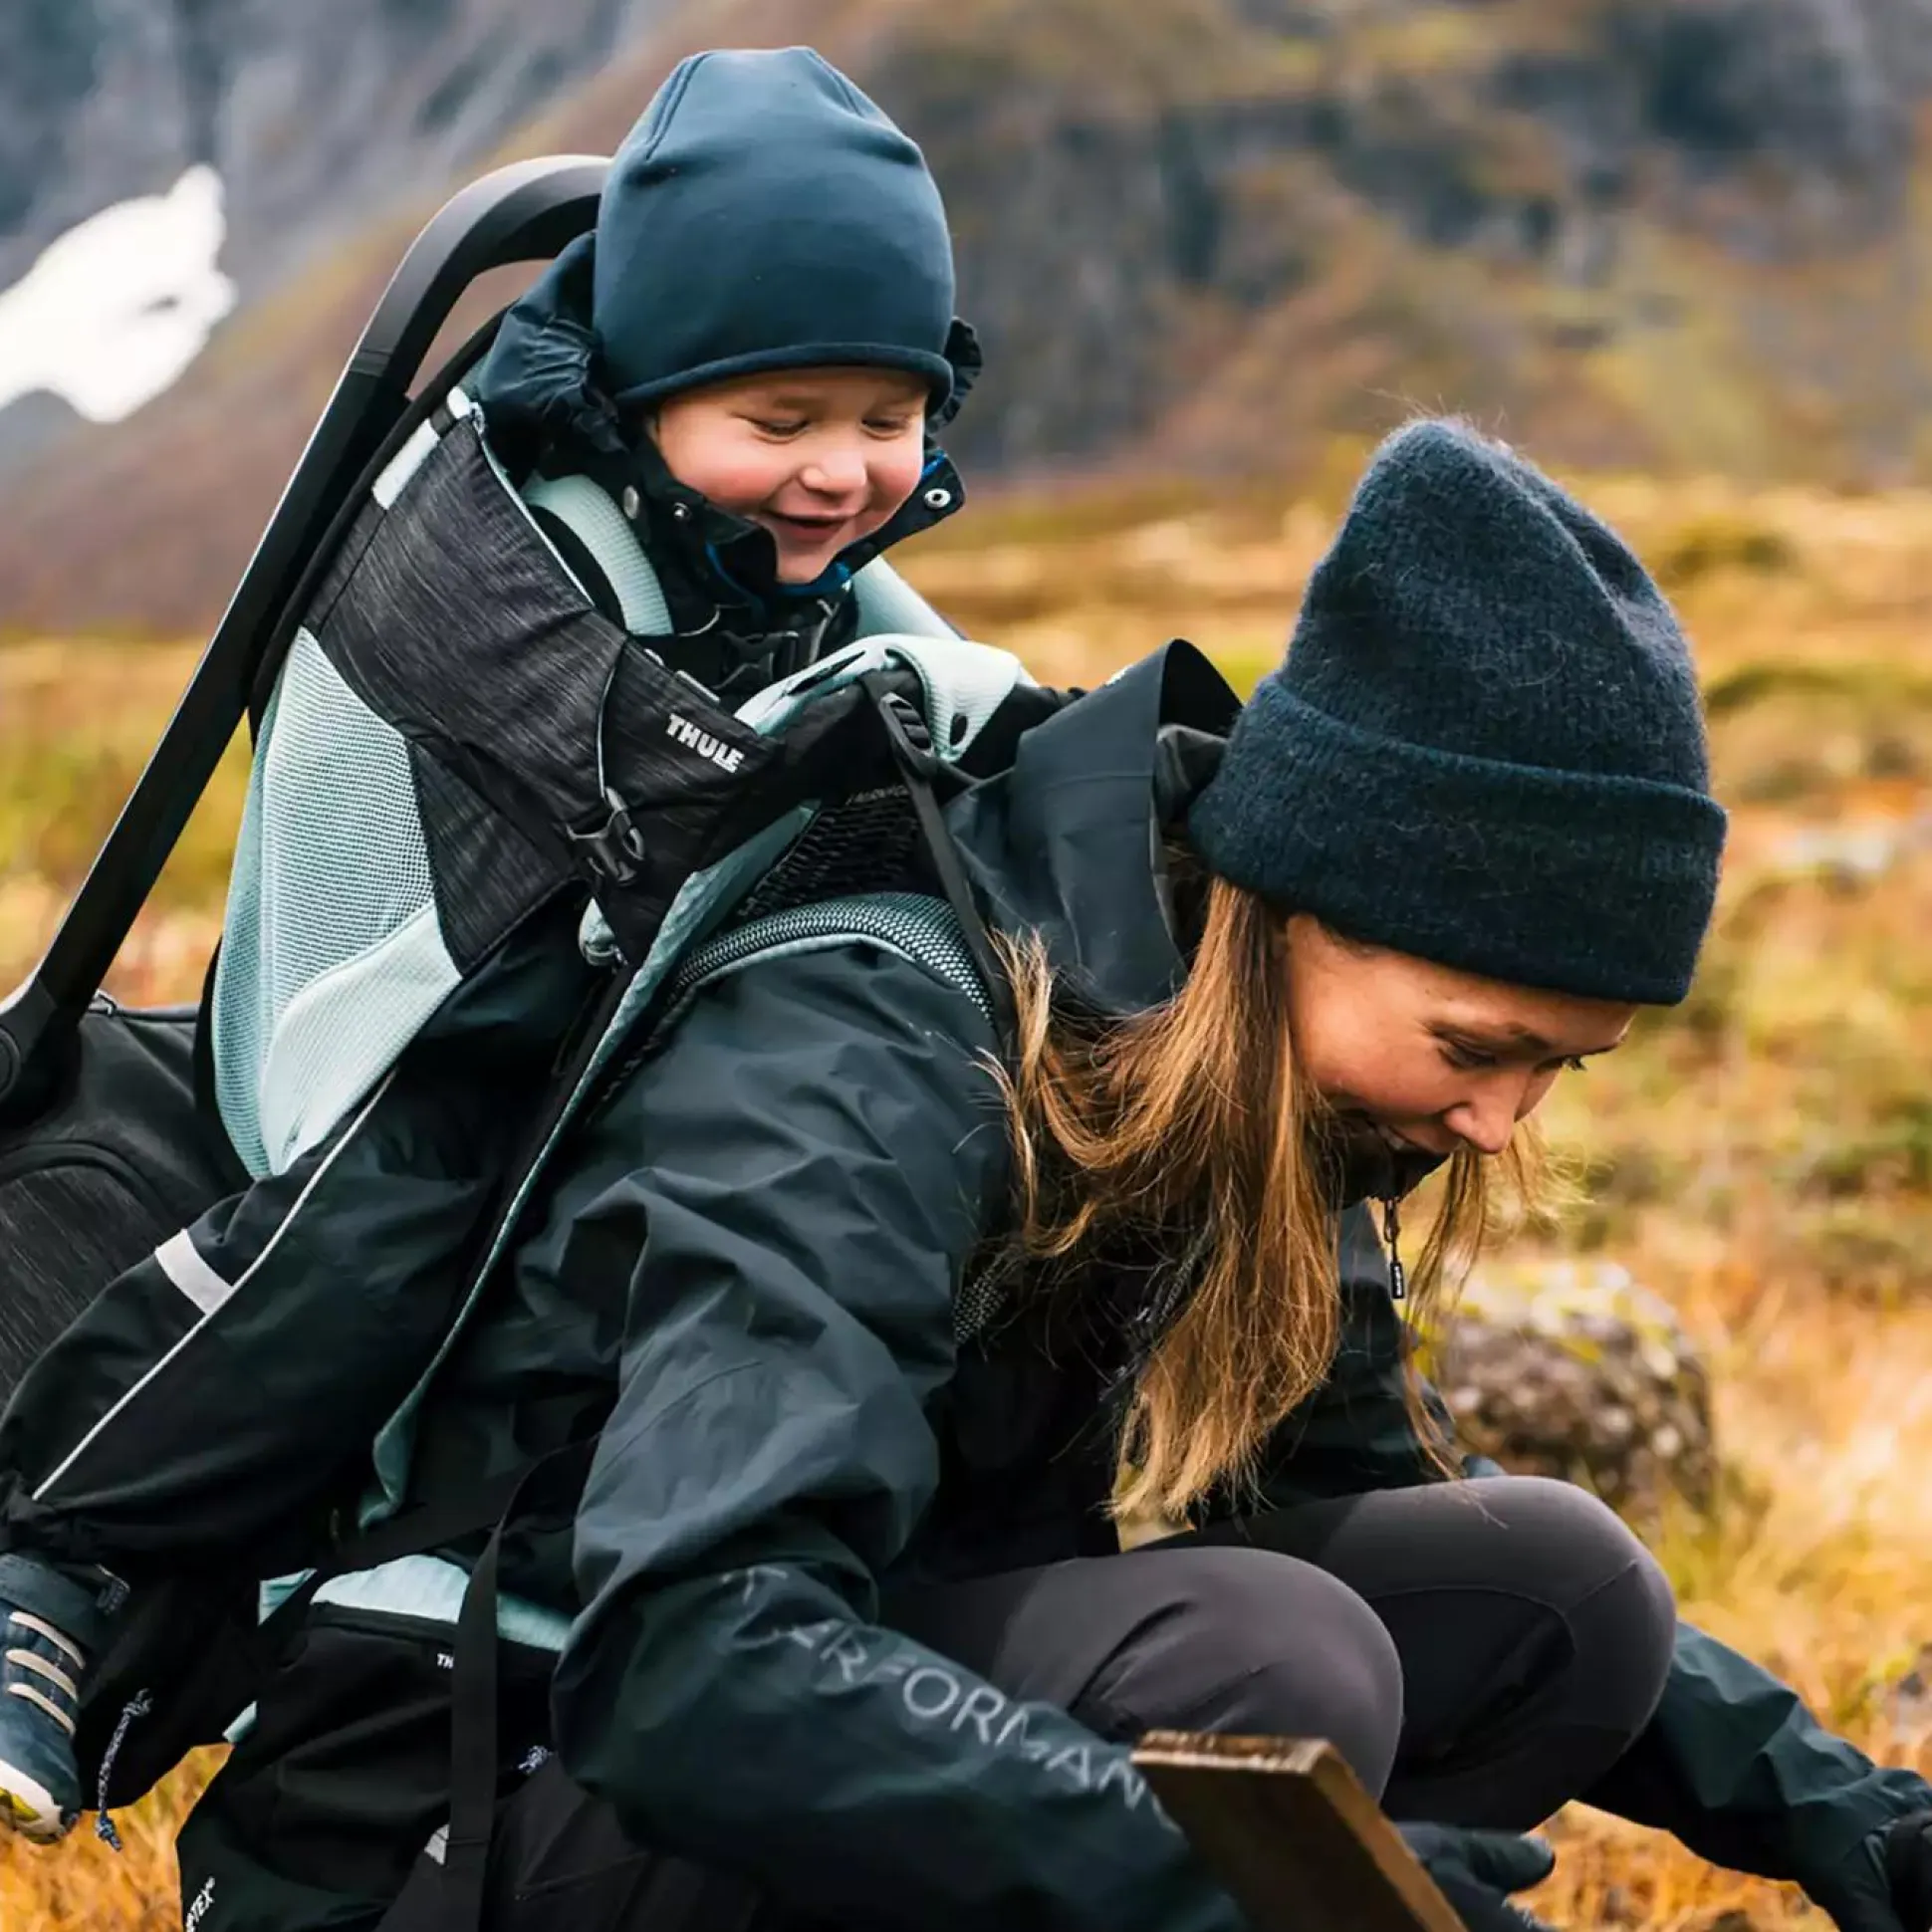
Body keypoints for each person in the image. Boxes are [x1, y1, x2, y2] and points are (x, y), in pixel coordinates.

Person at [166, 420, 1932, 1932]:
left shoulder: (1255, 1066)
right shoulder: (877, 1037)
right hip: (468, 1804)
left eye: (1562, 1067)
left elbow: (1364, 1491)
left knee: (1556, 1596)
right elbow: (688, 1662)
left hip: (786, 1737)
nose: (1502, 1124)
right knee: (1267, 1676)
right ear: (1302, 900)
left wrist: (1863, 1825)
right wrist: (1252, 1887)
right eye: (1478, 1046)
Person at [0, 43, 979, 1841]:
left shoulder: (756, 532)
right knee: (395, 1212)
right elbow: (674, 766)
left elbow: (937, 675)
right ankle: (54, 1558)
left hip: (549, 1005)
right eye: (783, 423)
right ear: (648, 396)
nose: (843, 474)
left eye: (886, 416)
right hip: (368, 1043)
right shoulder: (521, 534)